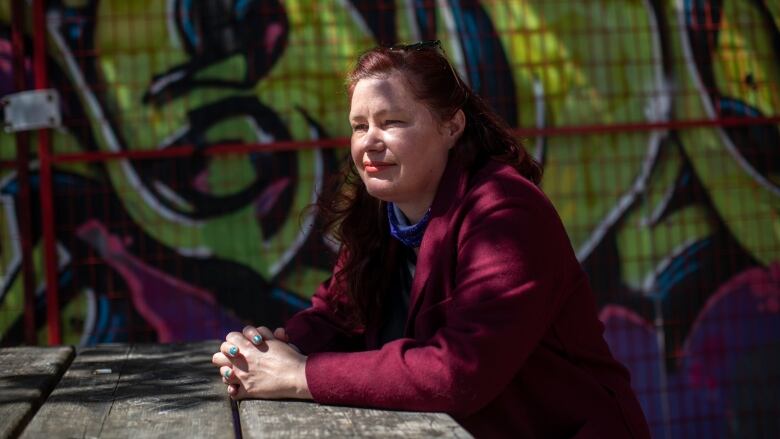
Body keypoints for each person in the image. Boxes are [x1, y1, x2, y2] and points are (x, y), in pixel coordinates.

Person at [212, 40, 651, 438]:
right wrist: (267, 353)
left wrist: (300, 375)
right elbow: (339, 316)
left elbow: (459, 370)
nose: (369, 143)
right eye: (359, 125)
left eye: (392, 121)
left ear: (452, 126)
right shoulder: (384, 209)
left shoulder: (506, 212)